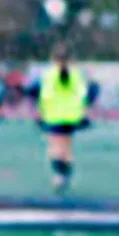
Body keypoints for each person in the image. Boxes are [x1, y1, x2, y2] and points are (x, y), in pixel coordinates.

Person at [36, 46, 90, 195]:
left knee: (54, 147)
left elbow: (45, 96)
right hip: (72, 116)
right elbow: (83, 95)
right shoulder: (76, 74)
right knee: (66, 146)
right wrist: (83, 112)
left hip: (54, 115)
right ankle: (65, 173)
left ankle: (60, 175)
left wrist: (40, 113)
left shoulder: (50, 74)